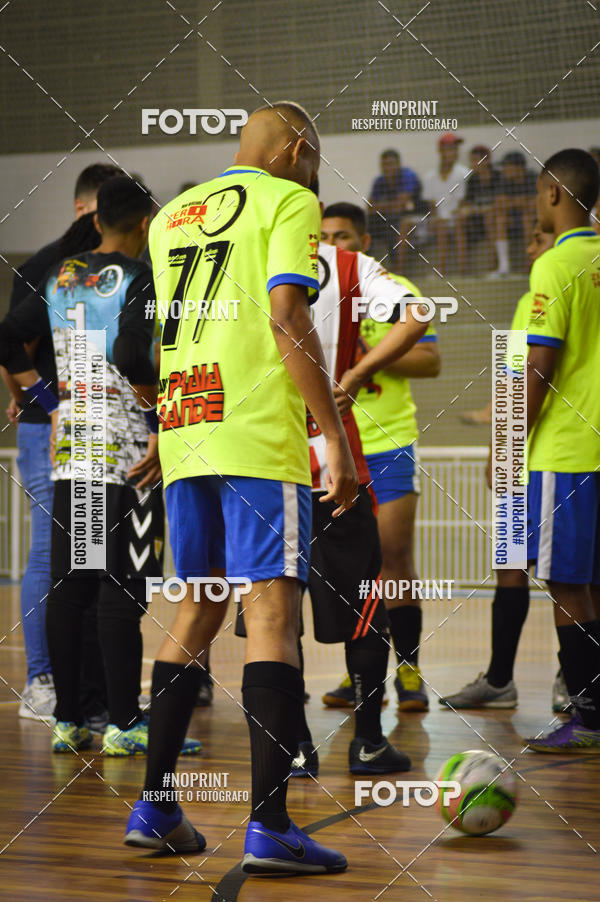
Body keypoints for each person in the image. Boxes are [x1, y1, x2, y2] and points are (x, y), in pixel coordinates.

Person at [123, 102, 358, 875]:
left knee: (195, 604)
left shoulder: (171, 217)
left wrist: (163, 425)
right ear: (296, 150)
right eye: (314, 165)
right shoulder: (290, 200)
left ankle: (155, 808)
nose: (314, 179)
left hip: (189, 425)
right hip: (256, 430)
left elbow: (174, 329)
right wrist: (331, 437)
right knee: (271, 612)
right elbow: (288, 315)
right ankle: (272, 826)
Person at [0, 177, 188, 758]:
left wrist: (50, 405)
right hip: (131, 455)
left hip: (73, 451)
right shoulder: (146, 279)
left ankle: (70, 720)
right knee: (121, 588)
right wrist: (158, 424)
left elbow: (8, 335)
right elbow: (133, 354)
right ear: (142, 223)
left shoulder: (64, 274)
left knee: (72, 585)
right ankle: (126, 723)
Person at [283, 192, 429, 779]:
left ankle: (292, 746)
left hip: (265, 459)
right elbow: (419, 315)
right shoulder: (349, 269)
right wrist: (357, 372)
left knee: (273, 608)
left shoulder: (250, 264)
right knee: (369, 600)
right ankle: (367, 742)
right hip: (339, 461)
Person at [1, 163, 123, 726]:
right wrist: (45, 403)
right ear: (86, 210)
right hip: (49, 431)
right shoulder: (53, 266)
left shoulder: (114, 271)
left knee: (90, 560)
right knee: (52, 555)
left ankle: (91, 697)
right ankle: (42, 682)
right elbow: (12, 343)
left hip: (94, 431)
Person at [441, 222, 568, 712]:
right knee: (511, 566)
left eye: (536, 238)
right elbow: (513, 379)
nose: (530, 246)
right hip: (532, 457)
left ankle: (573, 677)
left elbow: (526, 379)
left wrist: (503, 451)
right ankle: (499, 681)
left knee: (575, 579)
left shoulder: (557, 286)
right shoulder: (528, 303)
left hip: (554, 455)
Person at [320, 203, 440, 712]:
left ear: (364, 241)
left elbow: (430, 359)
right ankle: (360, 677)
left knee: (393, 558)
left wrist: (369, 354)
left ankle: (409, 671)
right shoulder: (311, 291)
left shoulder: (388, 291)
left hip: (388, 442)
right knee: (352, 570)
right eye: (325, 236)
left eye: (343, 235)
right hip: (334, 448)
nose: (334, 244)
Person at [514, 148, 600, 752]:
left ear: (551, 194)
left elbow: (538, 368)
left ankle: (588, 718)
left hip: (566, 451)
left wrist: (509, 444)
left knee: (567, 586)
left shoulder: (555, 265)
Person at [367, 149, 425, 272]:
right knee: (367, 222)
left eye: (391, 164)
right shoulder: (379, 181)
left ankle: (398, 269)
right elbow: (369, 207)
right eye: (384, 165)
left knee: (392, 225)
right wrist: (389, 206)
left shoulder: (408, 176)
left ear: (398, 165)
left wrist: (381, 206)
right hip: (388, 217)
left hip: (412, 217)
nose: (387, 168)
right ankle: (365, 267)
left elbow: (401, 205)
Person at [422, 132, 469, 273]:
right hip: (439, 220)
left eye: (455, 149)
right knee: (441, 224)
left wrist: (455, 215)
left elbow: (463, 201)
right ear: (441, 151)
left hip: (458, 218)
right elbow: (431, 205)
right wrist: (435, 219)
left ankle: (463, 271)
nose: (454, 152)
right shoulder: (429, 177)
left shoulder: (464, 172)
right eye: (450, 149)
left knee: (456, 223)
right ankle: (441, 271)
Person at [489, 151, 537, 278]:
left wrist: (512, 202)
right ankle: (504, 266)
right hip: (512, 219)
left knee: (527, 218)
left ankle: (529, 265)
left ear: (519, 167)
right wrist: (520, 201)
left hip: (534, 221)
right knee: (500, 219)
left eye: (507, 166)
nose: (504, 170)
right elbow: (498, 203)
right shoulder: (504, 180)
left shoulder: (533, 177)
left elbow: (534, 205)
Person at [456, 145, 502, 274]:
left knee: (490, 217)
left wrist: (477, 210)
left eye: (476, 160)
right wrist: (463, 210)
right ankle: (463, 269)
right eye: (471, 160)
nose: (472, 164)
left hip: (495, 221)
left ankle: (495, 264)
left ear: (487, 161)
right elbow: (467, 203)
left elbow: (499, 205)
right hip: (477, 221)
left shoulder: (498, 177)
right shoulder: (472, 180)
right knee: (459, 220)